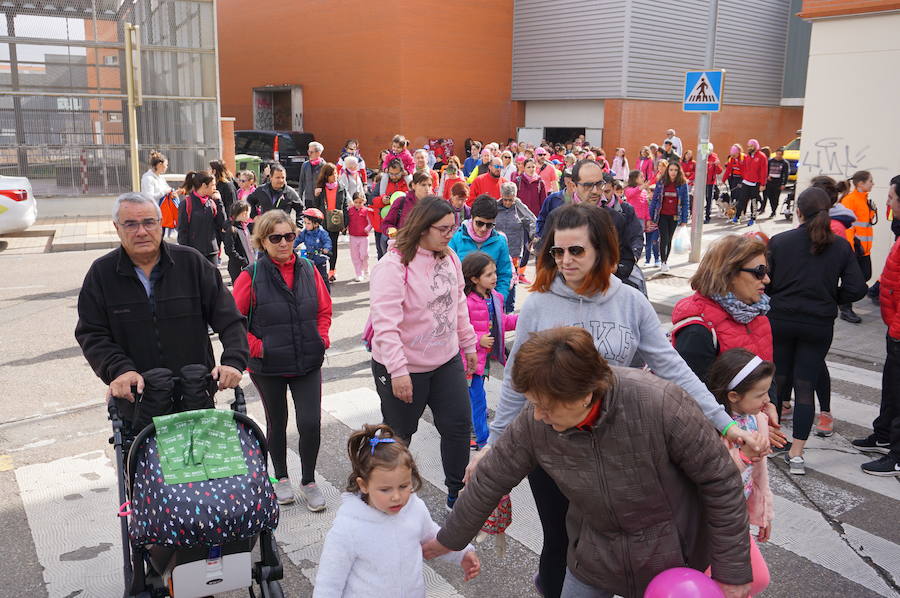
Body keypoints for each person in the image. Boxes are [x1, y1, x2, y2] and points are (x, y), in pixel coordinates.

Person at [467, 204, 763, 598]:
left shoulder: (630, 302)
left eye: (577, 251)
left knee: (619, 544)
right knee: (560, 541)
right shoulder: (538, 304)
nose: (566, 261)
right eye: (558, 251)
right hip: (550, 447)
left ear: (601, 251)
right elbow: (517, 386)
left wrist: (724, 424)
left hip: (617, 448)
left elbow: (673, 370)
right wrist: (492, 446)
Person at [425, 327, 753, 598]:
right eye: (533, 404)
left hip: (670, 558)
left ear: (585, 394)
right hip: (595, 553)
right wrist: (448, 540)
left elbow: (720, 481)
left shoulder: (658, 402)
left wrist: (732, 571)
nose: (538, 415)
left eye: (547, 406)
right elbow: (491, 478)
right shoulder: (536, 422)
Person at [75, 192, 246, 412]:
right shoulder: (102, 274)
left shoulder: (191, 263)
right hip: (136, 400)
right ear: (117, 228)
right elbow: (92, 333)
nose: (141, 231)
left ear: (160, 224)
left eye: (148, 222)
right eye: (130, 224)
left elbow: (230, 318)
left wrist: (233, 361)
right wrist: (119, 370)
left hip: (195, 394)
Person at [369, 197, 478, 509]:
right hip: (403, 365)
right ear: (421, 228)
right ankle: (380, 490)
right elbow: (385, 325)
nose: (449, 234)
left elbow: (458, 305)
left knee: (458, 426)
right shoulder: (393, 266)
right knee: (398, 434)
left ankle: (457, 494)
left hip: (445, 360)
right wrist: (399, 371)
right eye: (443, 229)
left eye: (453, 228)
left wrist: (468, 344)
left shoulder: (450, 258)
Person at [232, 209, 332, 509]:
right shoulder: (250, 276)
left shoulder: (308, 268)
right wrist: (259, 348)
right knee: (277, 422)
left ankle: (309, 480)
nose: (284, 243)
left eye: (289, 236)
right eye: (276, 238)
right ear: (262, 241)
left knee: (311, 423)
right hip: (268, 366)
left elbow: (324, 310)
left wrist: (321, 338)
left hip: (307, 359)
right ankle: (280, 477)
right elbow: (234, 323)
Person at [767, 187, 867, 475]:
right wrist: (830, 296)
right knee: (805, 385)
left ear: (798, 211)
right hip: (819, 323)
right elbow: (857, 288)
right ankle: (797, 454)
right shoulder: (839, 246)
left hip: (781, 319)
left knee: (778, 378)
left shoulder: (780, 241)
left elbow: (767, 281)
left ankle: (775, 439)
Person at [314, 424, 479, 597]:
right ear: (363, 485)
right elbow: (329, 582)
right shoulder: (348, 527)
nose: (396, 497)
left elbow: (432, 536)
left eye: (403, 486)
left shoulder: (414, 508)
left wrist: (462, 553)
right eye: (385, 489)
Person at [706, 349, 774, 596]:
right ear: (733, 395)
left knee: (756, 580)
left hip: (737, 518)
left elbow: (760, 475)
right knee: (722, 587)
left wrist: (763, 512)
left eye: (767, 391)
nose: (767, 400)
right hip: (708, 523)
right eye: (760, 394)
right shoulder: (709, 426)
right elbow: (711, 473)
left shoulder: (758, 420)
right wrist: (743, 456)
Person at [854, 174, 900, 476]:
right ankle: (883, 434)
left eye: (892, 198)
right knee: (891, 388)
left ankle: (896, 455)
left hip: (898, 329)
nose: (887, 202)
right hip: (893, 327)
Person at [462, 252, 518, 449]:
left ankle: (474, 431)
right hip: (468, 361)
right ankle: (481, 439)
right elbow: (456, 330)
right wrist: (478, 340)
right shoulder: (466, 302)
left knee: (475, 399)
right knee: (478, 400)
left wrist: (524, 318)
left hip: (483, 359)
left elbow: (502, 322)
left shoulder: (496, 297)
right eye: (489, 274)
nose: (495, 277)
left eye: (495, 272)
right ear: (474, 278)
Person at [448, 195, 513, 303]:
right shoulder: (456, 239)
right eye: (479, 223)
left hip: (490, 303)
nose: (483, 229)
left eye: (489, 225)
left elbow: (504, 275)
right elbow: (449, 274)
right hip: (461, 303)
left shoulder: (500, 242)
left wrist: (499, 300)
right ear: (472, 217)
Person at [838, 170, 878, 324]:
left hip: (864, 249)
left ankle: (840, 299)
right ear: (861, 184)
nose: (873, 184)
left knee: (865, 276)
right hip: (854, 250)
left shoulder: (864, 199)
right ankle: (845, 308)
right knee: (854, 281)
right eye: (870, 181)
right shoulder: (850, 200)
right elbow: (847, 228)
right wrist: (851, 250)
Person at [495, 182, 536, 308]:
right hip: (496, 250)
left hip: (514, 251)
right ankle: (496, 305)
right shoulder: (495, 207)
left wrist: (533, 236)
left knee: (511, 279)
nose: (507, 203)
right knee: (496, 278)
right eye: (505, 200)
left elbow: (533, 221)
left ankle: (509, 307)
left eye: (510, 200)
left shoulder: (519, 208)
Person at [649, 160, 690, 273]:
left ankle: (665, 260)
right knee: (664, 238)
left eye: (676, 170)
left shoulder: (682, 184)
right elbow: (654, 200)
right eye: (671, 170)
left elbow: (686, 202)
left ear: (679, 171)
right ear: (668, 170)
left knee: (669, 239)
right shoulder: (661, 182)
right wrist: (651, 216)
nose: (673, 172)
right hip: (662, 215)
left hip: (675, 216)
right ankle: (663, 262)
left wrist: (684, 220)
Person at [177, 171, 225, 264]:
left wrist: (219, 202)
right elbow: (182, 232)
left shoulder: (212, 202)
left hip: (212, 252)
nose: (215, 188)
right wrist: (186, 254)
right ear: (204, 185)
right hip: (194, 253)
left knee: (212, 278)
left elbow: (222, 224)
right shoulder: (186, 204)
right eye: (213, 185)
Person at [314, 163, 348, 283]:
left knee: (333, 246)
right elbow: (315, 206)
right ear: (326, 176)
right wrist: (316, 195)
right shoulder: (321, 188)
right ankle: (322, 270)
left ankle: (332, 270)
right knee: (322, 247)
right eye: (332, 174)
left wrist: (345, 223)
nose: (335, 176)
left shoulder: (341, 187)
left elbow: (345, 205)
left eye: (336, 174)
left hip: (336, 221)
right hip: (323, 222)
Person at [140, 150, 179, 238]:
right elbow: (149, 197)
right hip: (152, 214)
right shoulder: (148, 178)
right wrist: (164, 192)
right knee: (155, 238)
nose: (167, 167)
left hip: (162, 213)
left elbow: (166, 191)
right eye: (166, 165)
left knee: (160, 238)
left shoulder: (160, 177)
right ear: (159, 165)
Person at [382, 171, 434, 237]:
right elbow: (386, 224)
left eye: (429, 185)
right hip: (405, 244)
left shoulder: (434, 204)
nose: (427, 188)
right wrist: (391, 230)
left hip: (428, 245)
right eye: (423, 185)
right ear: (413, 185)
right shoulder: (401, 202)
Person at [625, 169, 657, 267]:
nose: (643, 178)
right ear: (635, 179)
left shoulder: (643, 191)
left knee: (638, 239)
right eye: (641, 177)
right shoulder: (629, 189)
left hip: (641, 220)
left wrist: (647, 219)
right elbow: (630, 194)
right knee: (630, 239)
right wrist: (641, 187)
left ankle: (635, 258)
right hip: (632, 218)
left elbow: (645, 206)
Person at [296, 207, 332, 288]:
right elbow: (298, 240)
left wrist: (326, 249)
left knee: (323, 278)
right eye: (305, 223)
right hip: (309, 260)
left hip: (320, 260)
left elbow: (327, 241)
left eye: (308, 223)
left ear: (316, 224)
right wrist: (291, 246)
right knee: (309, 279)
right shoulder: (305, 232)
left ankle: (326, 295)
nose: (306, 225)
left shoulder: (322, 233)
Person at [736, 139, 767, 226]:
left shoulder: (762, 156)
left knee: (754, 201)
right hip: (746, 181)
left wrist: (763, 184)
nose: (749, 148)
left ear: (756, 146)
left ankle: (753, 218)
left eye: (751, 146)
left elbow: (763, 171)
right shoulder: (747, 156)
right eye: (748, 146)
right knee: (742, 199)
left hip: (755, 183)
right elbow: (744, 168)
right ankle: (737, 217)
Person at [223, 199, 255, 285]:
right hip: (239, 268)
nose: (249, 216)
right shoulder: (232, 229)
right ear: (244, 213)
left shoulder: (245, 227)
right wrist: (244, 261)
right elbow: (230, 251)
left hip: (249, 266)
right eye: (249, 213)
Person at [347, 192, 373, 282]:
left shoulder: (366, 211)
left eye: (360, 202)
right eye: (356, 202)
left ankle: (366, 268)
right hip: (353, 236)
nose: (358, 204)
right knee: (355, 256)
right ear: (353, 202)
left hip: (364, 237)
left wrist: (368, 228)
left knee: (364, 255)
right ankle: (359, 273)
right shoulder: (349, 210)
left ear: (364, 201)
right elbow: (347, 221)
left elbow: (370, 222)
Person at [763, 147, 790, 218]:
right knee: (769, 196)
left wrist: (784, 184)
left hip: (778, 182)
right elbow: (766, 170)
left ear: (782, 155)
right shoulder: (770, 161)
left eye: (780, 154)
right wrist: (767, 176)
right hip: (770, 181)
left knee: (776, 197)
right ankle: (772, 208)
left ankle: (774, 211)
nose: (778, 156)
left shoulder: (785, 163)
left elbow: (786, 174)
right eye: (777, 154)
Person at [299, 141, 326, 210]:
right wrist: (299, 198)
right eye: (308, 151)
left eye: (311, 152)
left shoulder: (324, 166)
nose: (309, 154)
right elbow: (301, 182)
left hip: (320, 199)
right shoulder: (305, 165)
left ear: (318, 153)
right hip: (308, 199)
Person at [703, 144, 724, 224]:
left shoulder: (714, 157)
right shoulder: (702, 156)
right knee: (706, 199)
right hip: (703, 181)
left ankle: (707, 217)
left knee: (709, 199)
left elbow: (719, 171)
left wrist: (717, 164)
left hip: (710, 182)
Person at [724, 144, 744, 221]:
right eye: (732, 155)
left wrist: (742, 182)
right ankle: (733, 214)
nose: (733, 156)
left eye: (734, 155)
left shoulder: (743, 158)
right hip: (734, 179)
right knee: (733, 197)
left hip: (741, 179)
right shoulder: (731, 159)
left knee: (740, 198)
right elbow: (728, 169)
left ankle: (740, 214)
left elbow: (746, 171)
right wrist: (723, 179)